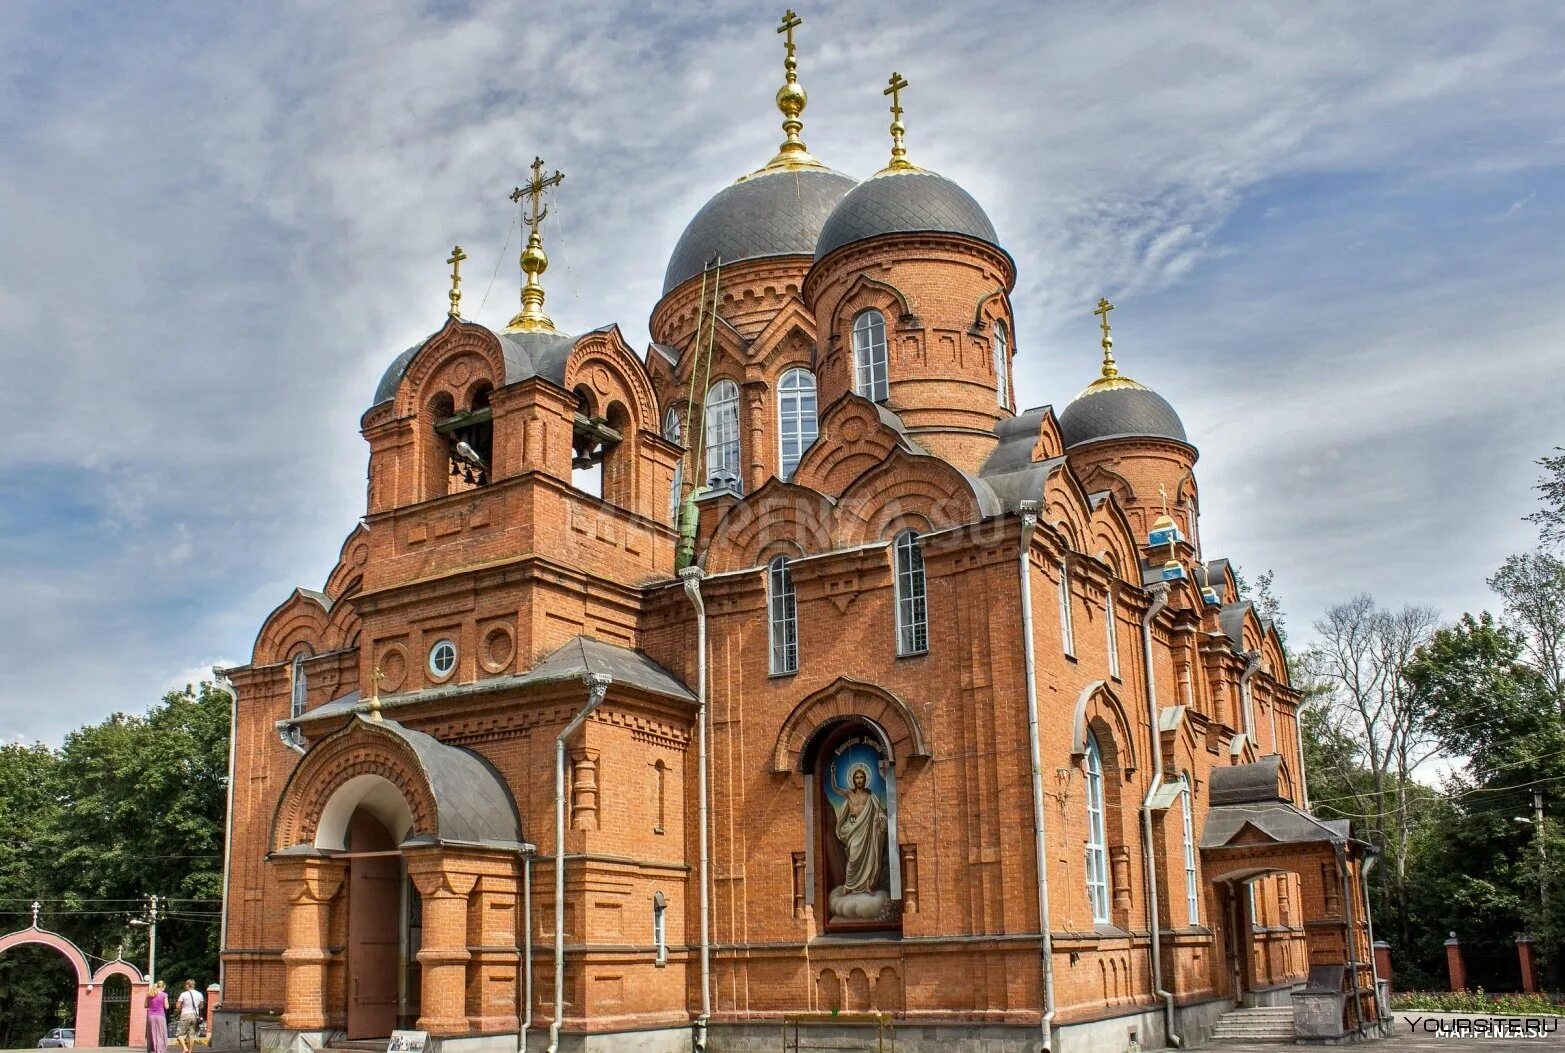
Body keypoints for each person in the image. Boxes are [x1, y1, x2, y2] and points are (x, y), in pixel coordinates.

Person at [174, 979, 204, 1052]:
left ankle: (185, 1048)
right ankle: (190, 1051)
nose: (185, 986)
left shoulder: (184, 994)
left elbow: (178, 1006)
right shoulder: (199, 994)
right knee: (192, 1034)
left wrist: (180, 1005)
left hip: (185, 1015)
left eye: (185, 985)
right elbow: (201, 1006)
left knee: (179, 1034)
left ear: (188, 985)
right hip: (194, 1015)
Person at [145, 980, 169, 1053]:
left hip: (151, 1016)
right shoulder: (164, 995)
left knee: (152, 1033)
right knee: (161, 1033)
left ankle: (152, 1049)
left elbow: (145, 1005)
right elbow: (166, 1006)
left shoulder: (149, 994)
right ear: (163, 986)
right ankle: (160, 1050)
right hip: (160, 1016)